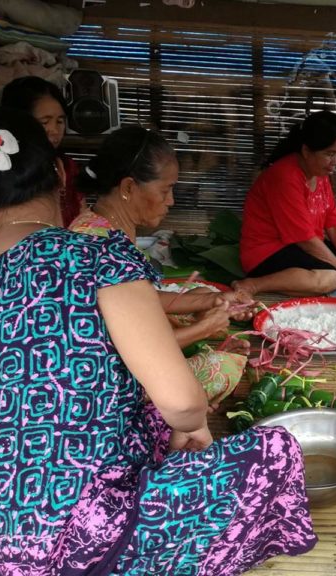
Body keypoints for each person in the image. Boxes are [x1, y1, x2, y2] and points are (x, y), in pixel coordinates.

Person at [0, 108, 316, 575]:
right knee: (275, 452)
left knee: (145, 417)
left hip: (5, 552)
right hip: (84, 546)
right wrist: (193, 426)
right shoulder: (97, 254)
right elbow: (182, 402)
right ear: (57, 175)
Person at [71, 125, 253, 405]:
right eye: (166, 190)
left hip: (120, 347)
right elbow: (137, 349)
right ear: (129, 187)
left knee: (197, 296)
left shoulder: (96, 225)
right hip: (104, 380)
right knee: (224, 366)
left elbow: (141, 299)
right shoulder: (104, 246)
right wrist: (204, 329)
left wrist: (214, 300)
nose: (171, 200)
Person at [236, 109, 336, 296]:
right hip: (268, 253)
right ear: (306, 151)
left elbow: (334, 224)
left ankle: (313, 277)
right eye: (330, 154)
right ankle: (253, 284)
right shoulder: (285, 177)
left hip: (299, 247)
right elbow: (305, 240)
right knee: (330, 278)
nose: (335, 162)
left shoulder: (319, 173)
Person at [0, 76, 86, 255]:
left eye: (60, 121)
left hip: (65, 258)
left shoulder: (66, 167)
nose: (54, 130)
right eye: (44, 122)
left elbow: (82, 216)